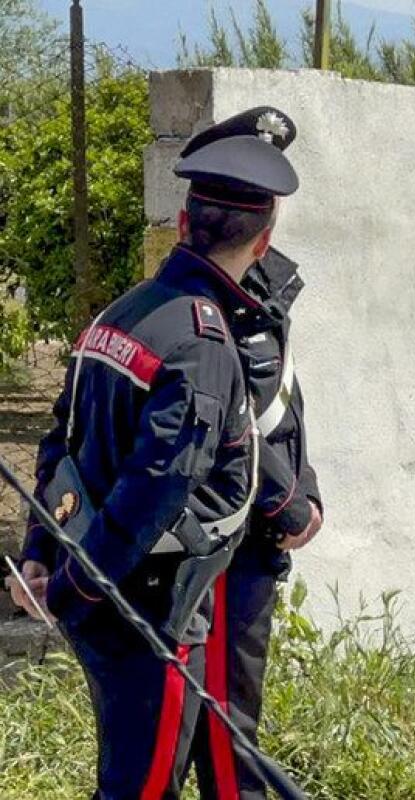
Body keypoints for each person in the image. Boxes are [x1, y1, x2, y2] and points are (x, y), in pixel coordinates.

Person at [6, 107, 298, 799]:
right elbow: (156, 488)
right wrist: (81, 584)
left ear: (181, 225)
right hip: (149, 614)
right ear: (263, 243)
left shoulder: (123, 312)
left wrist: (44, 556)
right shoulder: (203, 343)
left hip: (101, 594)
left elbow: (59, 445)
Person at [166, 108, 324, 800]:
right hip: (228, 543)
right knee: (222, 737)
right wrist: (289, 505)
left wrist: (304, 485)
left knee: (224, 724)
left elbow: (280, 404)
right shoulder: (207, 306)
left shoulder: (262, 290)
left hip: (255, 532)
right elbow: (232, 427)